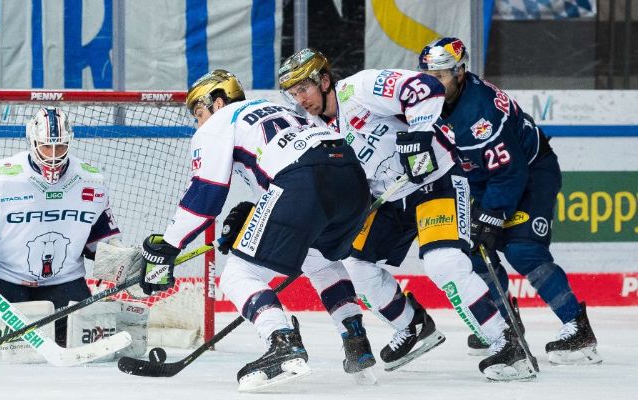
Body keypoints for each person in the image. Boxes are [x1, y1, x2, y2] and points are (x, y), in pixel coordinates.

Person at [279, 48, 536, 381]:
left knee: (443, 262)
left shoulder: (359, 88)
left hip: (436, 180)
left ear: (325, 80)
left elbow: (427, 88)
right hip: (389, 198)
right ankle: (413, 325)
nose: (300, 98)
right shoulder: (313, 128)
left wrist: (418, 136)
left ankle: (505, 341)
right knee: (355, 264)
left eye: (305, 88)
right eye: (294, 92)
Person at [138, 69, 373, 391]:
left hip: (303, 183)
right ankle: (356, 339)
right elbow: (291, 173)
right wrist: (254, 216)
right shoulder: (279, 109)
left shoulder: (220, 123)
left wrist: (168, 246)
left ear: (218, 102)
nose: (198, 122)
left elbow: (206, 196)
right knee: (319, 259)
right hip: (352, 181)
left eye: (199, 111)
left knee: (238, 274)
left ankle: (282, 342)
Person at [418, 37, 600, 365]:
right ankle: (507, 326)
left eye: (442, 75)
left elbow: (509, 172)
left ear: (460, 72)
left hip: (530, 174)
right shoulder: (428, 102)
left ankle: (577, 326)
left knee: (522, 250)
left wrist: (492, 215)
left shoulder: (479, 112)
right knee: (472, 249)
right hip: (482, 179)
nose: (433, 83)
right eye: (428, 75)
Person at [0, 107, 121, 347]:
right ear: (32, 142)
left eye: (60, 146)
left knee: (79, 343)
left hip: (64, 281)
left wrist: (125, 264)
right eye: (46, 146)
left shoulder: (90, 179)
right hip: (5, 279)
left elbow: (100, 236)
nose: (53, 154)